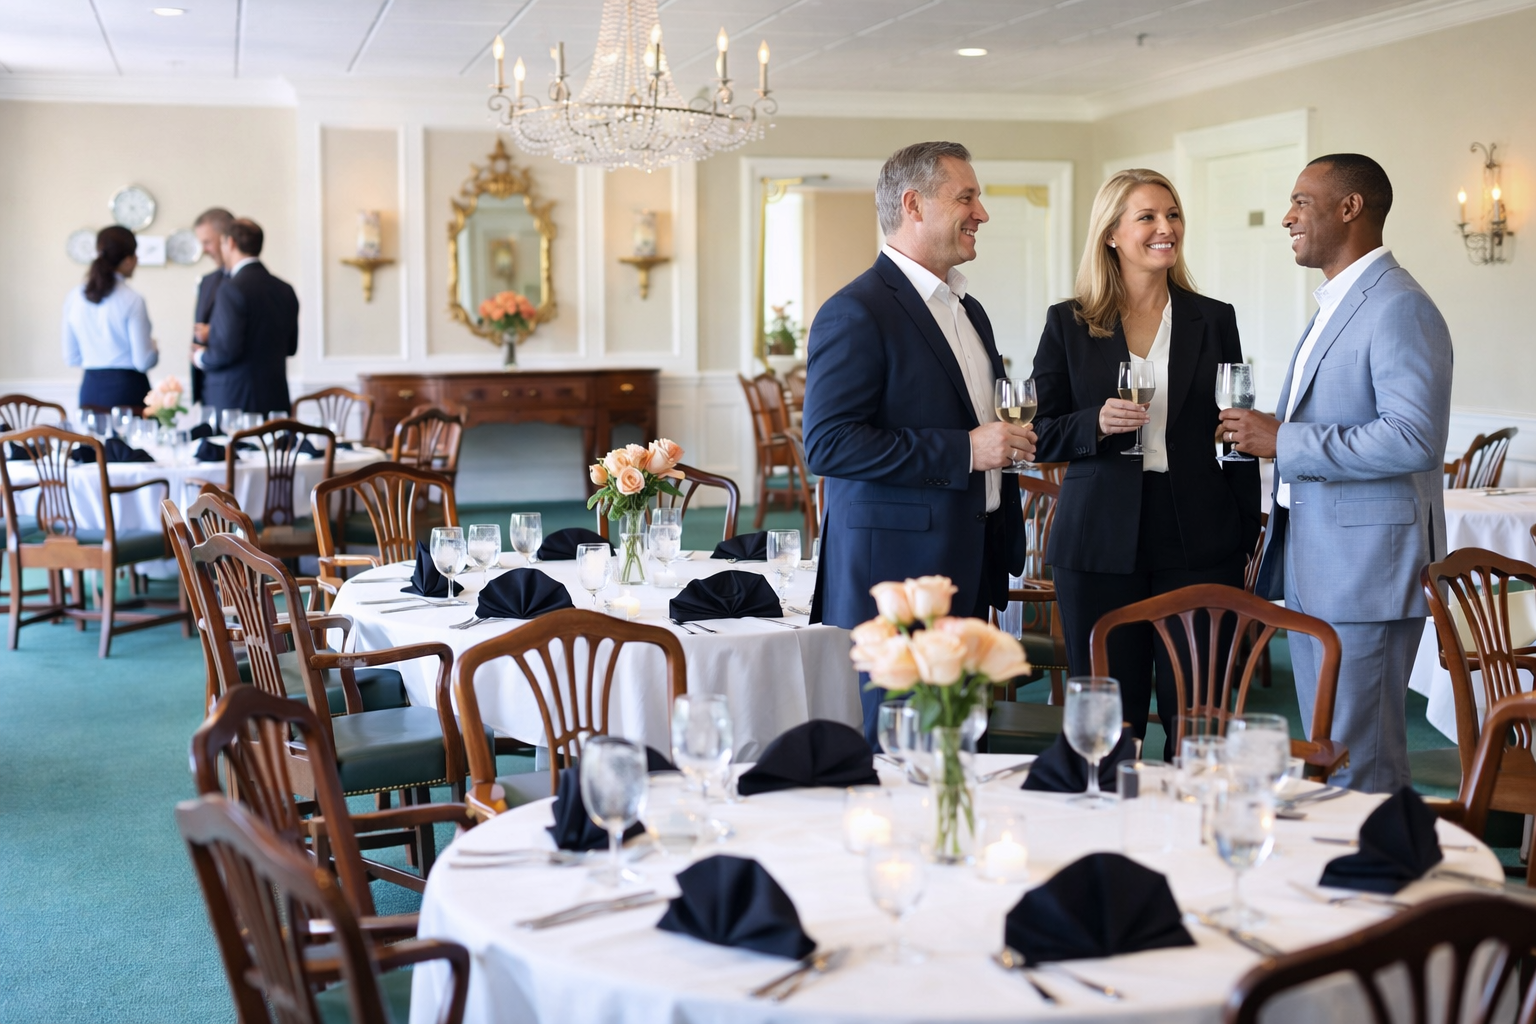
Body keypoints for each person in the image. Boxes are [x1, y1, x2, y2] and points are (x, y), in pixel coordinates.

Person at [1221, 154, 1452, 793]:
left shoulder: (1398, 305)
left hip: (1366, 570)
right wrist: (1269, 429)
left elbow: (1414, 439)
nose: (1287, 217)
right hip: (1321, 563)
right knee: (1334, 751)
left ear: (1350, 208)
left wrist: (1285, 439)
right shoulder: (1339, 302)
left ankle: (1386, 882)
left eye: (1301, 201)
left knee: (1361, 756)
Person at [802, 141, 1034, 745]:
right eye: (967, 197)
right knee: (900, 749)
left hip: (970, 559)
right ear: (913, 205)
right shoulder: (856, 310)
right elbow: (828, 444)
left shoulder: (969, 310)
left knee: (956, 743)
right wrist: (965, 451)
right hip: (897, 579)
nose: (982, 212)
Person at [1030, 169, 1261, 758]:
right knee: (1108, 714)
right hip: (1099, 539)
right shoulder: (1069, 322)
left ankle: (1191, 838)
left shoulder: (1214, 317)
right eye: (1148, 217)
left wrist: (1245, 527)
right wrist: (1094, 424)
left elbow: (1235, 428)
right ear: (1111, 233)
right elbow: (1039, 432)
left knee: (1197, 712)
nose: (1166, 228)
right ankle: (1109, 833)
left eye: (1173, 215)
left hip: (1201, 535)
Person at [195, 218, 299, 415]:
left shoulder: (230, 289)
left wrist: (199, 357)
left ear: (231, 243)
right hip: (275, 397)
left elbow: (226, 351)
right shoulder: (285, 289)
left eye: (223, 243)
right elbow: (291, 347)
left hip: (235, 401)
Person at [62, 226, 159, 411]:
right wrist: (153, 349)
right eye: (135, 254)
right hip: (128, 393)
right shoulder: (133, 299)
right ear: (128, 260)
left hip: (90, 391)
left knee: (93, 441)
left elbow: (71, 357)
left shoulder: (74, 297)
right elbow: (143, 361)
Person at [188, 207, 234, 407]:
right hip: (208, 389)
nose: (204, 250)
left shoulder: (248, 285)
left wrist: (212, 333)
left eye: (207, 242)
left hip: (235, 389)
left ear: (226, 239)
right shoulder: (207, 282)